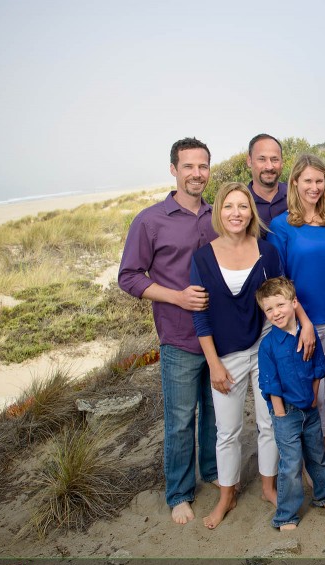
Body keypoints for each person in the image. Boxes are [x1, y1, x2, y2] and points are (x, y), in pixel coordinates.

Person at [118, 137, 218, 525]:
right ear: (173, 169)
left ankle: (211, 472)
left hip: (220, 338)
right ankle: (179, 493)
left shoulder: (218, 214)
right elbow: (128, 277)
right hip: (178, 337)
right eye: (189, 166)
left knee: (216, 413)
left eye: (203, 166)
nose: (197, 173)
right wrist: (176, 297)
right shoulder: (150, 220)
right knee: (180, 420)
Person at [190, 183, 289, 528]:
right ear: (219, 211)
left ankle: (268, 486)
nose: (236, 213)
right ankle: (227, 496)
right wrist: (214, 363)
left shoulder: (268, 252)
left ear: (251, 213)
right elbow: (200, 316)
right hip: (226, 356)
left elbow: (281, 301)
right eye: (229, 206)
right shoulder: (202, 257)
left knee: (268, 422)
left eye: (243, 206)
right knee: (228, 430)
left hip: (264, 348)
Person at [266, 154, 325, 476]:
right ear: (295, 183)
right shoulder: (281, 225)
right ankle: (301, 458)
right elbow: (279, 283)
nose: (314, 187)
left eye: (320, 181)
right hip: (298, 324)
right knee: (303, 392)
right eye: (308, 181)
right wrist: (303, 321)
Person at [256, 277, 325, 531]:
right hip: (287, 415)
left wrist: (314, 398)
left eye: (280, 305)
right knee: (291, 464)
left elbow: (317, 369)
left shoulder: (308, 336)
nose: (275, 313)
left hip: (310, 409)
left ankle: (323, 494)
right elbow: (270, 384)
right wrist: (280, 414)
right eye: (269, 309)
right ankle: (287, 514)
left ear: (294, 303)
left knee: (317, 455)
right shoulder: (269, 345)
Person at [247, 133, 287, 230]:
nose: (269, 166)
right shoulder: (240, 202)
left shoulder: (298, 196)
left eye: (275, 159)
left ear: (282, 162)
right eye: (262, 159)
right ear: (249, 161)